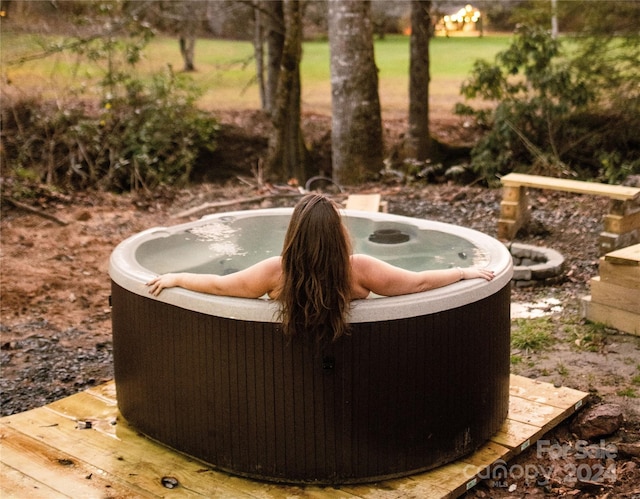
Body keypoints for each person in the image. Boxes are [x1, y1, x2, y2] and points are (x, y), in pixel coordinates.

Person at [146, 193, 495, 342]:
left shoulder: (274, 272)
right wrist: (463, 272)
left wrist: (177, 276)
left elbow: (220, 286)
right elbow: (417, 283)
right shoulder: (358, 269)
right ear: (338, 233)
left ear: (294, 233)